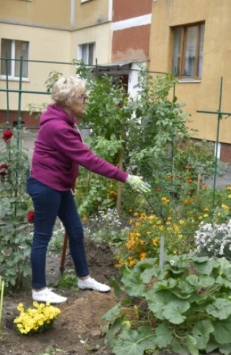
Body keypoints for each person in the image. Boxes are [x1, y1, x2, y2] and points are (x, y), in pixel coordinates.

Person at [27, 76, 150, 304]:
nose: (86, 100)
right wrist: (126, 177)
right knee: (42, 237)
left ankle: (84, 278)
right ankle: (39, 289)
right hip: (46, 186)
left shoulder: (65, 120)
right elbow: (88, 160)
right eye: (83, 96)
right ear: (68, 100)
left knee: (75, 230)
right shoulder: (58, 127)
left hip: (59, 185)